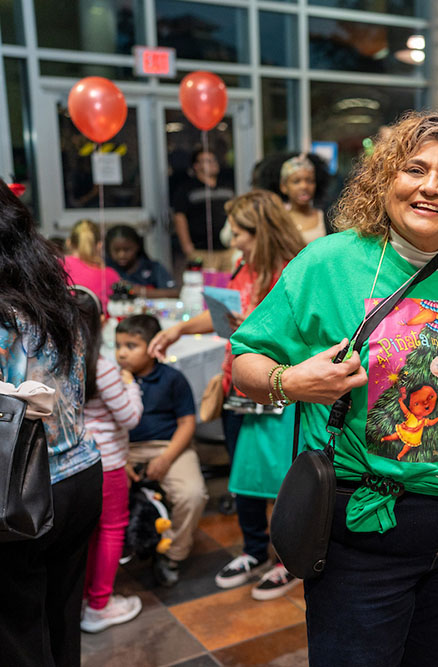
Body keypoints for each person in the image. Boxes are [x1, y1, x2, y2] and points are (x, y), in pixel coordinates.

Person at [229, 111, 438, 665]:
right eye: (415, 169)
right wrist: (290, 381)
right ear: (386, 179)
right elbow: (246, 359)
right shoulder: (328, 262)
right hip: (361, 532)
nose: (431, 187)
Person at [148, 190, 306, 600]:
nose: (233, 241)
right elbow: (225, 316)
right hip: (238, 389)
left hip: (276, 392)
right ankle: (254, 551)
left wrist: (251, 323)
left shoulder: (294, 271)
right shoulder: (243, 267)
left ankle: (287, 559)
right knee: (243, 476)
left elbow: (301, 332)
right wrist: (180, 328)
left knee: (280, 479)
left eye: (239, 233)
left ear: (262, 231)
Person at [0, 179, 103, 666]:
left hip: (23, 488)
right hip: (81, 472)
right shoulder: (59, 295)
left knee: (20, 634)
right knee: (62, 623)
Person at [116, 315, 207, 587]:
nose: (122, 353)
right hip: (125, 448)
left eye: (131, 346)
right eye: (118, 345)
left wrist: (166, 459)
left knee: (192, 494)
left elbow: (187, 424)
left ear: (153, 347)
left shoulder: (172, 379)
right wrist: (121, 460)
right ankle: (119, 548)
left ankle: (172, 553)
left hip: (169, 446)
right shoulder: (112, 379)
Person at [74, 287, 144, 632]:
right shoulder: (101, 367)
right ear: (102, 322)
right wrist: (131, 385)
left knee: (88, 533)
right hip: (109, 462)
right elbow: (130, 417)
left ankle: (85, 598)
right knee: (112, 528)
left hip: (79, 461)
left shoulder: (62, 359)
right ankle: (100, 606)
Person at [171, 145, 236, 272]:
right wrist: (186, 246)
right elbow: (179, 217)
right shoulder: (187, 189)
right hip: (201, 250)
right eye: (207, 161)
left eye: (214, 160)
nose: (213, 163)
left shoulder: (227, 186)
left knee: (230, 282)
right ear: (196, 166)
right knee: (205, 284)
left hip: (228, 249)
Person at [105, 224, 179, 297]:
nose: (121, 255)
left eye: (126, 250)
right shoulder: (105, 268)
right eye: (116, 250)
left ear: (137, 246)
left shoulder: (152, 268)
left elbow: (175, 292)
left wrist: (139, 291)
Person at [62, 218, 122, 310]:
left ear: (68, 242)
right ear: (99, 245)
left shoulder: (57, 265)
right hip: (97, 319)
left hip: (63, 318)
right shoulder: (110, 275)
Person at [280, 154, 328, 244]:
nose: (304, 186)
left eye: (309, 181)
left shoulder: (326, 219)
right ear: (284, 187)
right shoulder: (279, 220)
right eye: (296, 181)